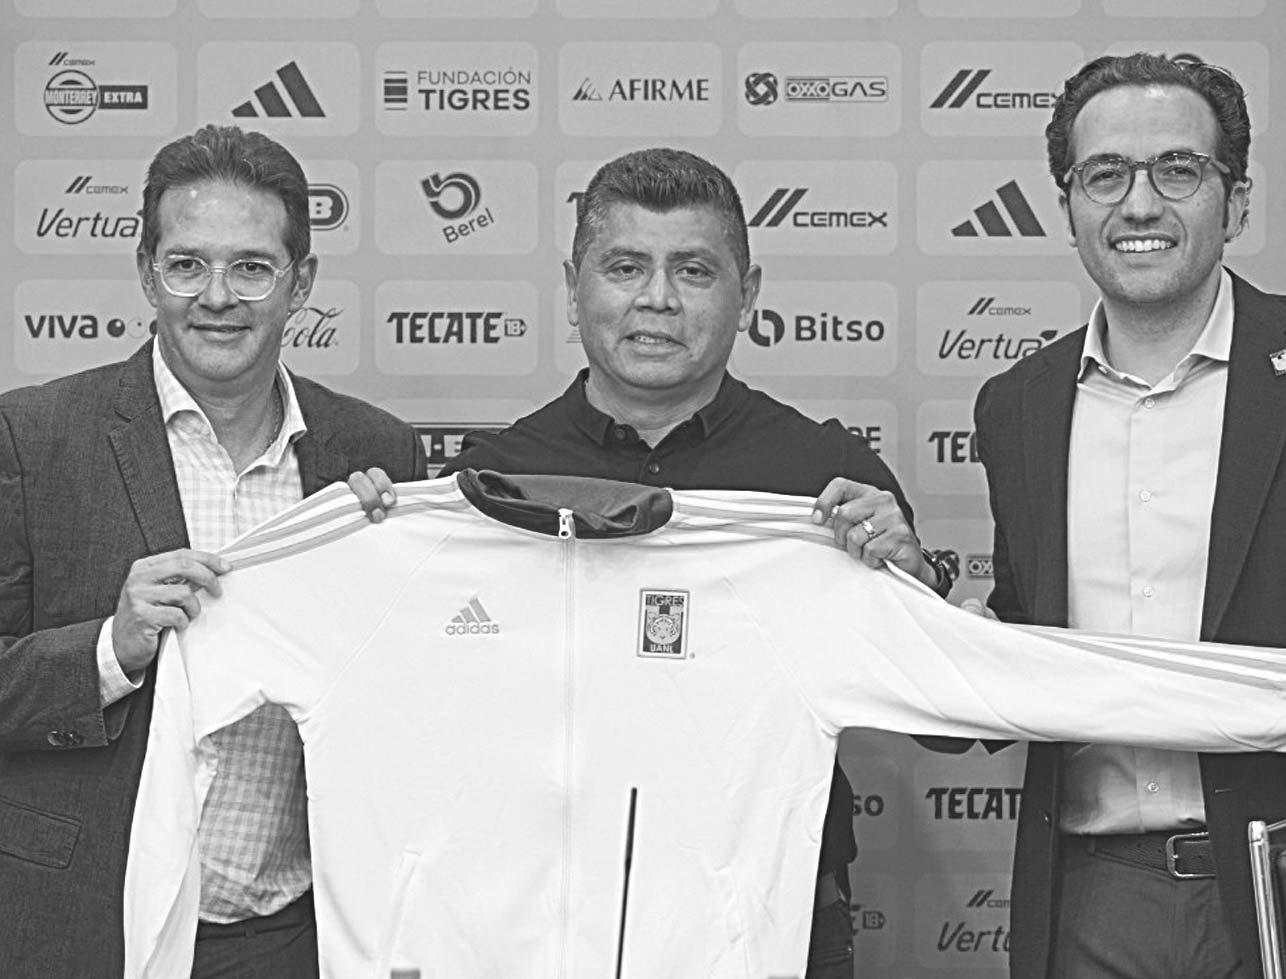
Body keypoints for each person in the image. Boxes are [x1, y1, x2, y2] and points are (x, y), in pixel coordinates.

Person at [354, 146, 954, 977]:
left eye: (694, 271)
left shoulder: (826, 479)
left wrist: (913, 590)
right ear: (574, 288)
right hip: (535, 925)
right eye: (625, 266)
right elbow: (418, 714)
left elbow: (943, 728)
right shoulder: (491, 482)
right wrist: (370, 561)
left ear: (748, 294)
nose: (658, 299)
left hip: (770, 921)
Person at [0, 124, 426, 979]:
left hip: (300, 934)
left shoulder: (375, 454)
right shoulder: (31, 436)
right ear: (145, 274)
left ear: (301, 282)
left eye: (252, 267)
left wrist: (388, 582)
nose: (218, 296)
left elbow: (420, 705)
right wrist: (109, 649)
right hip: (90, 922)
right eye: (187, 265)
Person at [974, 53, 1286, 978]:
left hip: (1274, 874)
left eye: (1178, 170)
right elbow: (1024, 631)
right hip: (1090, 897)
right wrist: (924, 618)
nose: (1139, 205)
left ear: (1236, 204)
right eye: (1105, 174)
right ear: (1067, 207)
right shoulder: (1018, 406)